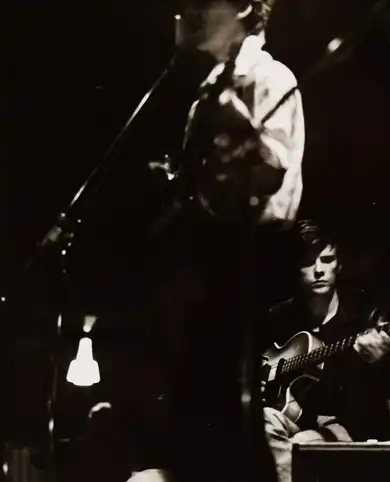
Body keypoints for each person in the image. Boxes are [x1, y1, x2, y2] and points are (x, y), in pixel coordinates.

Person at [128, 1, 305, 481]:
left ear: (245, 7)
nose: (186, 11)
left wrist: (235, 124)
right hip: (198, 281)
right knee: (195, 431)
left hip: (241, 275)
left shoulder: (271, 79)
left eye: (201, 2)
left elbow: (277, 191)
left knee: (232, 429)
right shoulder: (207, 92)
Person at [261, 219, 390, 482]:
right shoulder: (279, 317)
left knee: (303, 443)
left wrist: (380, 362)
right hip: (291, 417)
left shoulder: (362, 320)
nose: (318, 270)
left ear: (339, 265)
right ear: (295, 268)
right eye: (308, 262)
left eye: (327, 260)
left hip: (342, 430)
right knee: (263, 421)